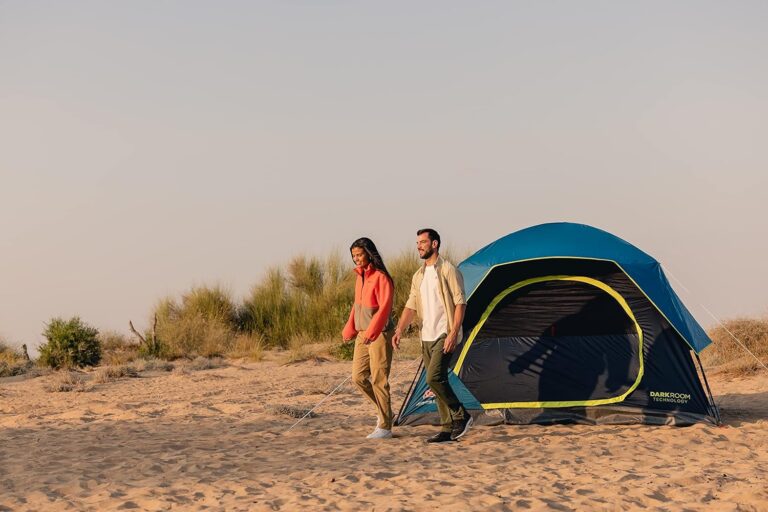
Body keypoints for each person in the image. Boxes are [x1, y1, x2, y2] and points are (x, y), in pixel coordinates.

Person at [392, 228, 472, 443]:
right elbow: (410, 306)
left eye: (423, 242)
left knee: (433, 377)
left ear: (434, 244)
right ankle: (447, 428)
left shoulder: (448, 270)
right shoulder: (418, 276)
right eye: (417, 242)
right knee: (436, 383)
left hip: (444, 333)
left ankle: (461, 415)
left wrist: (453, 333)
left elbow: (460, 303)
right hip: (426, 336)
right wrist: (399, 329)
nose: (419, 246)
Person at [343, 237, 396, 439]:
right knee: (358, 377)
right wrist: (350, 328)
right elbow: (356, 305)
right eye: (353, 256)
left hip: (380, 333)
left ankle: (385, 426)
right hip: (362, 334)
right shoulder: (360, 277)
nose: (356, 259)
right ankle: (386, 412)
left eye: (359, 254)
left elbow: (385, 308)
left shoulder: (382, 277)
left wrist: (372, 331)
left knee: (379, 379)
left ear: (368, 253)